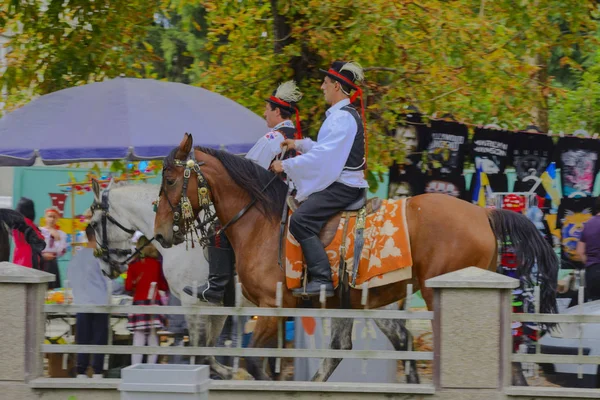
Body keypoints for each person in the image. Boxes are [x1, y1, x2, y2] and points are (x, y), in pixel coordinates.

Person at [183, 80, 303, 303]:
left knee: (218, 228)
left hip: (271, 200)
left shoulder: (271, 138)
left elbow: (247, 171)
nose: (264, 113)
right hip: (294, 197)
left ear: (278, 111)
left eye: (267, 109)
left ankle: (217, 285)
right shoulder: (296, 137)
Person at [270, 61, 369, 297]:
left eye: (325, 83)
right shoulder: (340, 116)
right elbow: (326, 150)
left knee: (300, 221)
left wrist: (285, 164)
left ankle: (323, 278)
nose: (322, 87)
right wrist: (299, 144)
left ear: (336, 85)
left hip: (345, 186)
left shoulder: (342, 118)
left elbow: (325, 157)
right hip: (344, 181)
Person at [66, 225, 110, 378]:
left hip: (81, 302)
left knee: (82, 337)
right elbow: (110, 282)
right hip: (100, 302)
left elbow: (70, 279)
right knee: (99, 337)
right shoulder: (101, 256)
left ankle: (81, 370)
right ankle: (97, 371)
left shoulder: (76, 257)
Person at [125, 236, 169, 364]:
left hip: (138, 302)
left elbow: (128, 287)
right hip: (153, 302)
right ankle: (151, 369)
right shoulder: (157, 264)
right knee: (153, 337)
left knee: (138, 337)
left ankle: (135, 368)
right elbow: (163, 286)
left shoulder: (132, 264)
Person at [570, 196, 600, 306]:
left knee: (594, 308)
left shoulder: (588, 224)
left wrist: (592, 263)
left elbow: (579, 251)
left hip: (592, 272)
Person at [12, 197, 44, 269]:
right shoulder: (27, 223)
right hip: (28, 255)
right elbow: (39, 239)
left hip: (18, 254)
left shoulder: (16, 222)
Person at [40, 207, 68, 289]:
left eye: (54, 217)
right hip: (40, 262)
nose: (52, 219)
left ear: (57, 219)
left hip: (52, 263)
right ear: (45, 217)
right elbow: (33, 248)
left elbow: (61, 252)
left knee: (53, 288)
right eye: (50, 216)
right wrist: (42, 255)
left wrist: (57, 239)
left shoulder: (61, 234)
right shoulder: (39, 231)